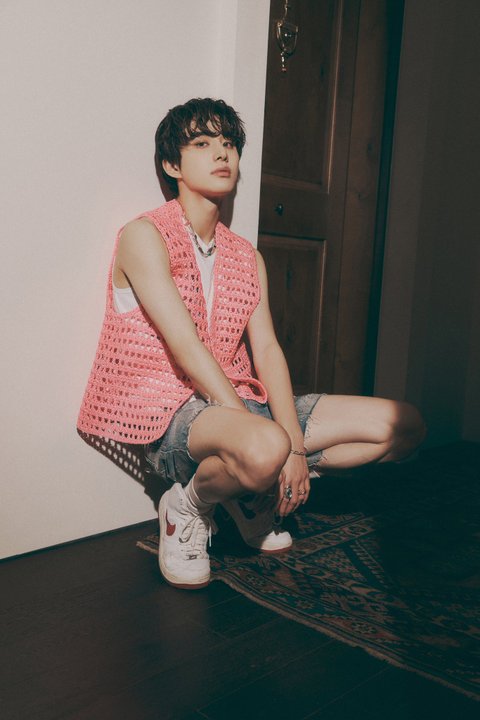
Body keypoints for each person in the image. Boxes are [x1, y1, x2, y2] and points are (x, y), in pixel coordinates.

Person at [78, 98, 426, 590]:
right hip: (171, 415)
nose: (222, 153)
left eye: (229, 143)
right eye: (202, 144)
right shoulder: (144, 235)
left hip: (242, 403)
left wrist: (294, 449)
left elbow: (267, 351)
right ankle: (187, 506)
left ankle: (249, 486)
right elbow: (185, 346)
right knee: (267, 445)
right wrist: (269, 439)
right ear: (172, 165)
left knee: (403, 426)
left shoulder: (246, 256)